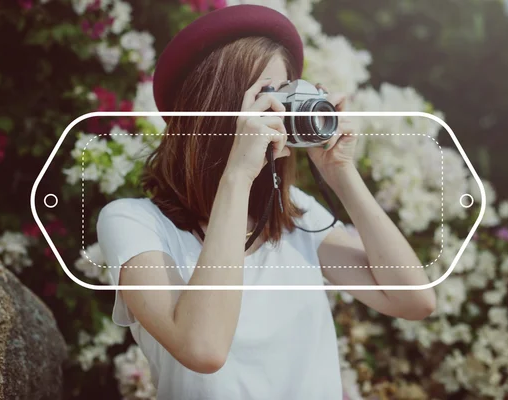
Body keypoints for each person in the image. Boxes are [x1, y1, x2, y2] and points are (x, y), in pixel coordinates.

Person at [96, 5, 436, 399]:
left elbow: (414, 299)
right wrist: (237, 175)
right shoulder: (134, 223)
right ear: (213, 106)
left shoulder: (295, 215)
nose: (281, 109)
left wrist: (341, 172)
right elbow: (203, 348)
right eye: (266, 95)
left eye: (289, 91)